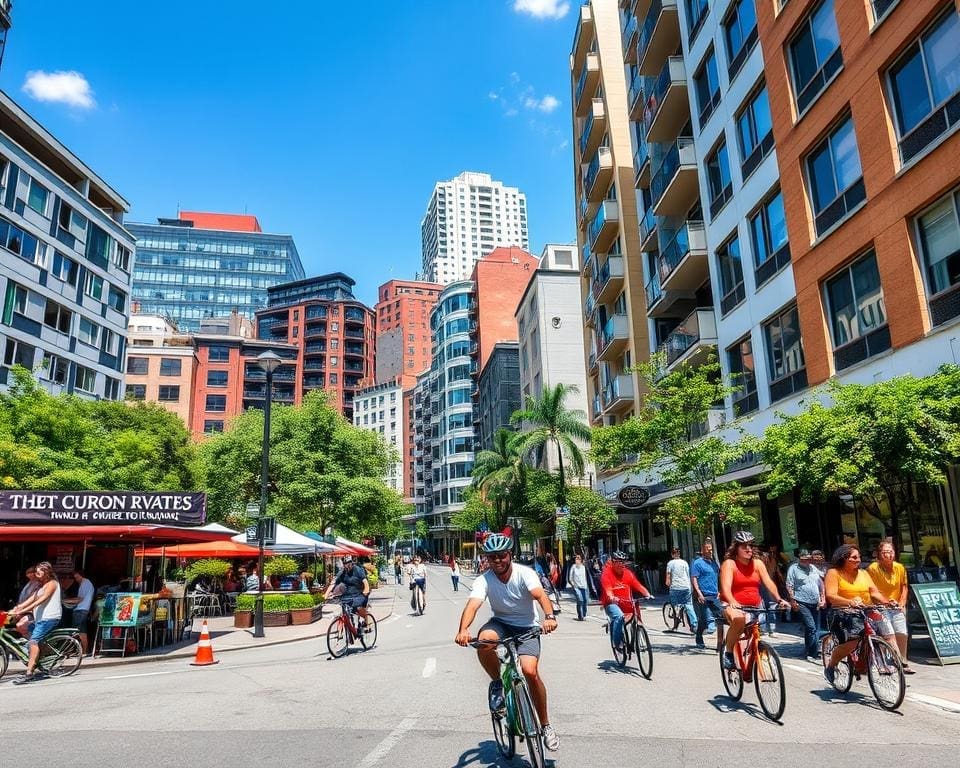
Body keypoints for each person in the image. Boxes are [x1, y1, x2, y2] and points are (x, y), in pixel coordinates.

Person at [454, 532, 560, 753]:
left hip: (527, 627)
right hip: (501, 623)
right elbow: (473, 605)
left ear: (509, 555)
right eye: (492, 557)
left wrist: (549, 617)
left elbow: (540, 595)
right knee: (484, 640)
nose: (498, 561)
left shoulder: (525, 573)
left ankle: (546, 726)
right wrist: (463, 630)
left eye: (501, 556)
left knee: (530, 672)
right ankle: (497, 683)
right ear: (487, 559)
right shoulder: (484, 580)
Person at [822, 544, 898, 685]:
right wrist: (849, 602)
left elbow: (874, 592)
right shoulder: (834, 573)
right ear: (844, 558)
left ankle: (887, 662)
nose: (858, 560)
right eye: (854, 557)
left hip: (866, 608)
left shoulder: (863, 573)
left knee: (886, 632)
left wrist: (887, 602)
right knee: (852, 642)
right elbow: (831, 596)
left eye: (859, 557)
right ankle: (831, 665)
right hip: (844, 612)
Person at [719, 531, 790, 671]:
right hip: (731, 604)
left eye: (750, 546)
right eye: (744, 546)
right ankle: (728, 653)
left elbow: (769, 583)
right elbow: (726, 587)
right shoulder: (730, 564)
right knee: (739, 619)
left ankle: (753, 654)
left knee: (755, 632)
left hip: (754, 605)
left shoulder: (757, 564)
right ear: (736, 549)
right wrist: (733, 601)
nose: (748, 549)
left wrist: (779, 599)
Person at [10, 561, 62, 684]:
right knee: (23, 628)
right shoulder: (40, 586)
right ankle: (39, 656)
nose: (37, 573)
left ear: (47, 572)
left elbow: (41, 600)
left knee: (33, 641)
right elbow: (31, 599)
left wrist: (23, 610)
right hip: (39, 619)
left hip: (49, 618)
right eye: (36, 571)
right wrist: (16, 608)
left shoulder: (52, 584)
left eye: (39, 571)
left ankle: (29, 673)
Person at [867, 541, 912, 673]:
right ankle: (883, 662)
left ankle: (903, 660)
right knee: (887, 633)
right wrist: (885, 602)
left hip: (896, 605)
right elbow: (872, 590)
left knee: (902, 633)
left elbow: (904, 587)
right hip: (880, 605)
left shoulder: (899, 567)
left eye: (891, 552)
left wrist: (902, 603)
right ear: (879, 555)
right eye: (885, 552)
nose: (889, 555)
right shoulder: (873, 568)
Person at [600, 551, 652, 652]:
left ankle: (637, 637)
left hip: (627, 602)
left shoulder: (628, 573)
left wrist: (647, 594)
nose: (621, 564)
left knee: (637, 616)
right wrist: (611, 597)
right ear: (613, 562)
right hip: (612, 603)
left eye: (623, 562)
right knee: (619, 617)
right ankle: (617, 642)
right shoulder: (606, 574)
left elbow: (638, 585)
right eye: (618, 562)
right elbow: (608, 589)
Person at [785, 549, 825, 663]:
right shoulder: (793, 568)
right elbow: (789, 585)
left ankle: (809, 650)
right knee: (811, 626)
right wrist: (793, 601)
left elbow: (821, 582)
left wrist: (823, 598)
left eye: (808, 559)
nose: (807, 561)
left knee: (814, 629)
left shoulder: (813, 568)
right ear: (800, 558)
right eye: (805, 559)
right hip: (801, 602)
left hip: (815, 602)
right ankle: (813, 653)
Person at [324, 555, 372, 628]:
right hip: (348, 594)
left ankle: (365, 620)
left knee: (358, 608)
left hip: (360, 592)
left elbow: (365, 581)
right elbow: (333, 583)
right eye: (346, 564)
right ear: (343, 564)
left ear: (352, 563)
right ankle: (348, 629)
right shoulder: (342, 572)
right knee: (346, 610)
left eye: (349, 564)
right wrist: (326, 594)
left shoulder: (357, 570)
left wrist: (366, 590)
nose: (348, 566)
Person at [691, 540, 721, 649]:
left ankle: (720, 643)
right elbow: (694, 578)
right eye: (708, 549)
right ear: (703, 550)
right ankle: (699, 637)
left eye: (711, 549)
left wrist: (719, 591)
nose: (710, 551)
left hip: (714, 595)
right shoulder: (697, 563)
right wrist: (699, 593)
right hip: (702, 595)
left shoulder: (714, 563)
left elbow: (718, 577)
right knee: (703, 620)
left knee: (721, 616)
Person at [665, 547, 697, 633]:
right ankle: (694, 624)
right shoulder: (685, 563)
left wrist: (668, 584)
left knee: (674, 605)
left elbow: (668, 576)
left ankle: (676, 621)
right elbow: (688, 574)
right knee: (688, 605)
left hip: (675, 587)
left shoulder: (670, 563)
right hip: (686, 586)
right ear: (679, 554)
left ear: (672, 554)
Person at [64, 568, 95, 655]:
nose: (77, 580)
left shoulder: (85, 583)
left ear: (81, 575)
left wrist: (65, 601)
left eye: (77, 577)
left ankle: (85, 651)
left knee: (81, 632)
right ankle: (80, 650)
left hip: (82, 610)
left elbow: (79, 599)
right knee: (77, 632)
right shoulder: (84, 583)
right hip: (80, 610)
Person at [15, 566, 40, 639]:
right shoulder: (30, 583)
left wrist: (22, 610)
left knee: (21, 625)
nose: (28, 575)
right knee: (5, 618)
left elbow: (32, 599)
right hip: (23, 608)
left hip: (32, 611)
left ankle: (27, 641)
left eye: (30, 573)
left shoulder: (38, 584)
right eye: (27, 573)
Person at [568, 554, 589, 621]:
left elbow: (585, 577)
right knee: (580, 600)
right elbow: (570, 577)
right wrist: (573, 585)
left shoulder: (583, 567)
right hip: (577, 587)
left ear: (581, 560)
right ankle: (580, 616)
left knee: (585, 600)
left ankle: (584, 614)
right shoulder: (573, 567)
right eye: (576, 558)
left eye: (579, 558)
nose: (577, 560)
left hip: (584, 586)